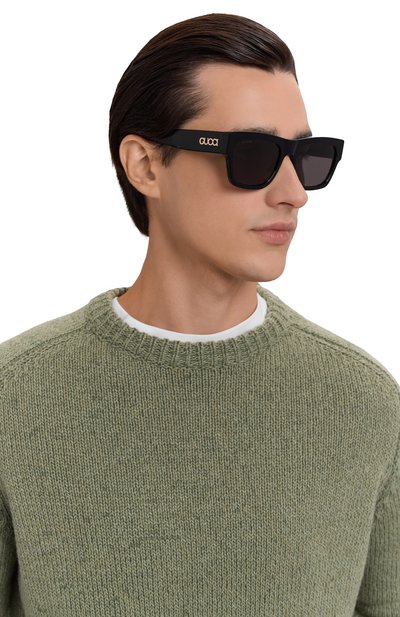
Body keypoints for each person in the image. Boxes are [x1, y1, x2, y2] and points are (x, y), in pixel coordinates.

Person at [0, 12, 398, 617]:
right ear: (145, 165)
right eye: (253, 154)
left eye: (306, 156)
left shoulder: (362, 402)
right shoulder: (18, 394)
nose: (294, 193)